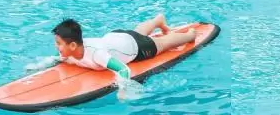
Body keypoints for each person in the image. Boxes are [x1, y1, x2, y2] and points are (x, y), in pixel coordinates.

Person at [28, 15, 197, 92]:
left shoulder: (97, 55)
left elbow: (123, 70)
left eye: (58, 43)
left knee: (163, 43)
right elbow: (58, 59)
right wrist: (39, 66)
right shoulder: (69, 52)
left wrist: (123, 88)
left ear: (73, 44)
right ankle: (157, 20)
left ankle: (190, 34)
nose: (56, 46)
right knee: (135, 32)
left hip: (135, 47)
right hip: (116, 38)